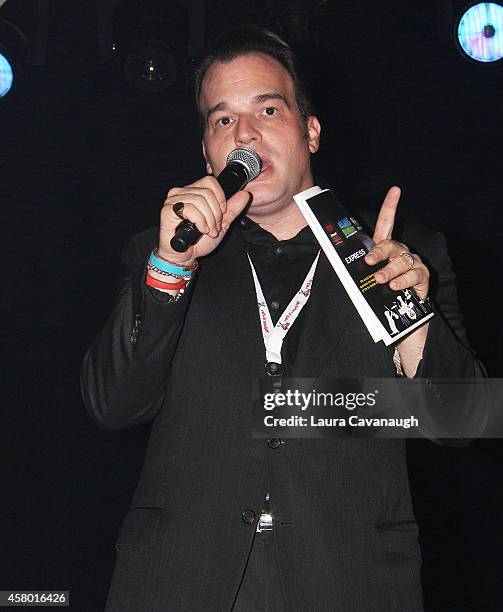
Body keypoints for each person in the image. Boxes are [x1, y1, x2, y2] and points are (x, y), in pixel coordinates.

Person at [81, 25, 483, 611]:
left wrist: (409, 318)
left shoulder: (396, 251)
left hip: (349, 582)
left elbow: (465, 422)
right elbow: (112, 404)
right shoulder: (165, 249)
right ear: (207, 152)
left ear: (311, 131)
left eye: (267, 108)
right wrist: (170, 265)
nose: (244, 133)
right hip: (180, 581)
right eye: (222, 120)